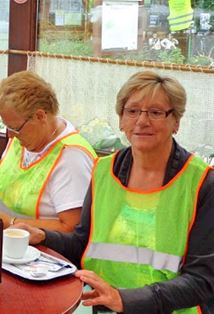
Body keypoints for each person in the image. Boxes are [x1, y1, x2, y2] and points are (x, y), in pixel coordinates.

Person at [18, 71, 214, 313]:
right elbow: (83, 243)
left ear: (176, 122)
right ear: (121, 120)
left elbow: (203, 279)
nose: (142, 121)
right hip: (98, 303)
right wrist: (43, 236)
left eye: (155, 112)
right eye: (132, 111)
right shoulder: (103, 171)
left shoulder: (203, 182)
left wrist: (126, 300)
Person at [0, 71, 96, 232]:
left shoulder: (71, 157)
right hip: (1, 238)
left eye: (15, 128)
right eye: (7, 127)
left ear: (40, 116)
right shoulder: (24, 136)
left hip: (38, 250)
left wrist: (11, 222)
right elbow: (4, 167)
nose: (10, 135)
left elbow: (72, 227)